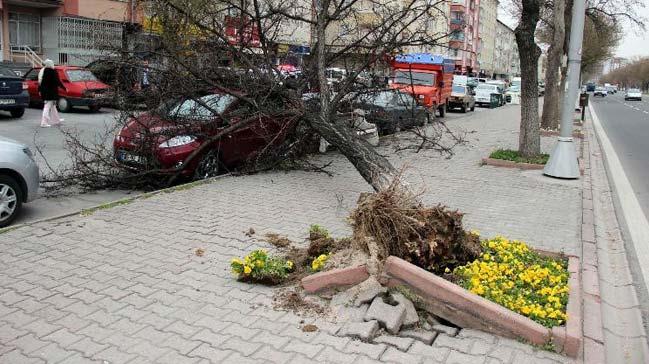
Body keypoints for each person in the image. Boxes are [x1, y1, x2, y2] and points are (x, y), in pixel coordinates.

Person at [39, 59, 65, 128]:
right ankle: (44, 122)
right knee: (47, 107)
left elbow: (41, 82)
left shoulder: (45, 71)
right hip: (51, 93)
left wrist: (40, 90)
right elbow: (57, 81)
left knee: (53, 107)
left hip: (46, 92)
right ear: (51, 64)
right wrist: (64, 88)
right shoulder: (53, 72)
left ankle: (56, 120)